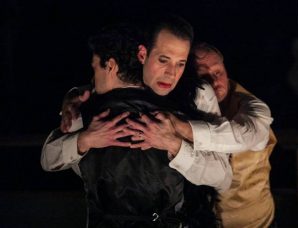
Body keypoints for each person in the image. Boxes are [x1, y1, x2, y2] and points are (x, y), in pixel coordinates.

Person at [41, 15, 232, 192]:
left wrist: (176, 145)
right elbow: (49, 159)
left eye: (180, 63)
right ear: (143, 55)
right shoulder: (97, 104)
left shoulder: (198, 95)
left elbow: (223, 177)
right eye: (163, 60)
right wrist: (84, 137)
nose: (171, 73)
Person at [191, 42, 276, 228]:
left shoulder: (251, 106)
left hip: (254, 222)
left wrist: (182, 129)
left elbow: (242, 135)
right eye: (203, 76)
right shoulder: (190, 103)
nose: (214, 82)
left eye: (218, 72)